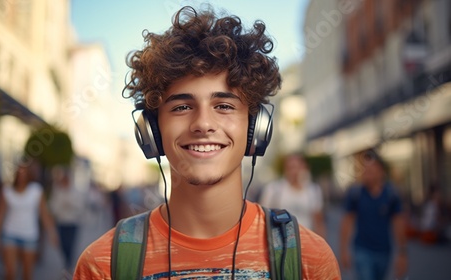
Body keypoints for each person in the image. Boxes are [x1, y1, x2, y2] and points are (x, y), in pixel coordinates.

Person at [74, 5, 340, 279]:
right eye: (181, 107)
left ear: (256, 128)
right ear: (153, 131)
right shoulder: (102, 265)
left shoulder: (309, 260)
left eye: (224, 106)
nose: (203, 123)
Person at [340, 149, 407, 280]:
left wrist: (402, 253)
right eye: (364, 170)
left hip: (384, 251)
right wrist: (344, 250)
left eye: (371, 170)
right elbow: (347, 222)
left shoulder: (391, 194)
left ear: (381, 171)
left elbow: (398, 223)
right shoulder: (356, 194)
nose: (366, 174)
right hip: (362, 251)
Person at [0, 165, 58, 280]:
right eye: (19, 174)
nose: (21, 177)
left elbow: (44, 214)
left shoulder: (36, 191)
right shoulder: (7, 191)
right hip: (10, 233)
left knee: (27, 274)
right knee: (10, 273)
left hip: (29, 235)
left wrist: (52, 232)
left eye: (24, 174)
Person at [259, 153, 327, 238]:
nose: (294, 171)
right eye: (291, 167)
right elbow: (263, 217)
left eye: (297, 167)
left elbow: (318, 221)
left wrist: (321, 245)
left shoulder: (313, 190)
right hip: (280, 241)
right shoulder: (274, 189)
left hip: (307, 240)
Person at [49, 167, 84, 271]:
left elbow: (80, 206)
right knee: (63, 244)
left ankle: (68, 264)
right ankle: (67, 262)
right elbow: (53, 206)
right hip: (61, 222)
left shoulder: (76, 191)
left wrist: (69, 204)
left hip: (72, 222)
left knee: (70, 244)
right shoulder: (57, 191)